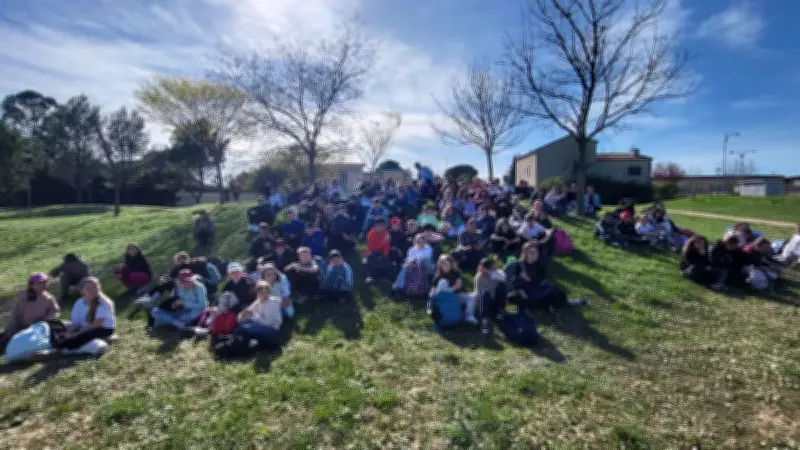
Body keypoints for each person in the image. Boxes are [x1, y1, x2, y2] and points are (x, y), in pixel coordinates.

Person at [506, 242, 585, 311]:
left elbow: (540, 279)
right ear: (526, 254)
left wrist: (530, 279)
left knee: (557, 292)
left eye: (536, 252)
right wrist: (520, 290)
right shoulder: (519, 265)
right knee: (517, 297)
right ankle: (543, 306)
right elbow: (514, 281)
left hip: (536, 289)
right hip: (524, 291)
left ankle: (564, 303)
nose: (535, 255)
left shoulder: (539, 264)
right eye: (531, 253)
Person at [0, 273, 61, 353]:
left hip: (38, 326)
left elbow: (55, 311)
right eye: (40, 283)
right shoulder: (24, 296)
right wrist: (13, 326)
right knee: (6, 339)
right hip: (21, 326)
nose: (44, 284)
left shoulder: (49, 298)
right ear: (31, 285)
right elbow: (17, 313)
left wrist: (48, 319)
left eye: (45, 282)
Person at [55, 277, 115, 355]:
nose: (93, 290)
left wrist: (76, 334)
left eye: (96, 286)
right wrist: (68, 332)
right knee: (61, 333)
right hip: (85, 327)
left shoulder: (103, 304)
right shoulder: (79, 302)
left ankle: (72, 349)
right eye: (89, 288)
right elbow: (76, 322)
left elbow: (95, 326)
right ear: (82, 291)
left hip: (102, 329)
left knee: (70, 343)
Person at [430, 255, 477, 325]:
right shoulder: (437, 276)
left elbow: (458, 285)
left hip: (456, 295)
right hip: (443, 299)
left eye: (448, 264)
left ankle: (468, 316)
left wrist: (449, 292)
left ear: (451, 264)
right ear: (440, 265)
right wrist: (431, 299)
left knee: (472, 297)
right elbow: (433, 290)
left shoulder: (456, 272)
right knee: (443, 282)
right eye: (444, 264)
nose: (446, 266)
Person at [235, 281, 282, 349]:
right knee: (241, 325)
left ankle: (246, 343)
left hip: (272, 328)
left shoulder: (273, 303)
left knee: (243, 328)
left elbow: (267, 323)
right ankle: (248, 341)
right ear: (257, 294)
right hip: (260, 324)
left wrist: (252, 317)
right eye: (261, 292)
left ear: (269, 292)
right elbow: (248, 311)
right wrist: (243, 315)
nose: (264, 295)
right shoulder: (258, 301)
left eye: (266, 292)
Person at [473, 258, 508, 335]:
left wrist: (488, 272)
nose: (496, 266)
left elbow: (503, 277)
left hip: (495, 302)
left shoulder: (497, 273)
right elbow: (478, 294)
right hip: (484, 304)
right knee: (485, 294)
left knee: (502, 286)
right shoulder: (479, 277)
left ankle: (500, 312)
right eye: (494, 265)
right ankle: (484, 322)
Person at [364, 218, 393, 283]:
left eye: (382, 225)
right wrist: (383, 241)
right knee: (373, 256)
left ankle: (385, 277)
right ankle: (370, 276)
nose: (381, 227)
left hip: (382, 252)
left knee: (386, 259)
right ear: (375, 226)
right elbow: (373, 248)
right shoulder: (370, 234)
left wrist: (385, 256)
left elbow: (386, 247)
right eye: (379, 225)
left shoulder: (386, 234)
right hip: (372, 252)